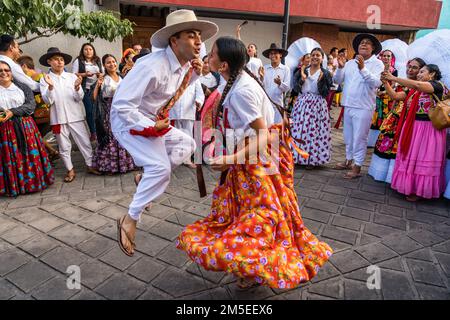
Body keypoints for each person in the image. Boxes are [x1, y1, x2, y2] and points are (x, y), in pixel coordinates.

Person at [177, 36, 332, 290]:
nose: (208, 58)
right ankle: (250, 268)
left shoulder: (241, 91)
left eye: (212, 55)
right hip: (250, 158)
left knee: (259, 215)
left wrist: (229, 159)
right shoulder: (233, 82)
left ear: (224, 64)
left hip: (256, 160)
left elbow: (265, 135)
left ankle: (254, 265)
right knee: (251, 213)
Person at [111, 9, 218, 256]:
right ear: (174, 40)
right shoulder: (152, 66)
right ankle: (130, 218)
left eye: (199, 36)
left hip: (153, 119)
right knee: (160, 169)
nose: (199, 41)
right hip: (128, 121)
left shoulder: (184, 65)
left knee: (187, 145)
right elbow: (122, 105)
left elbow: (174, 91)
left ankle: (144, 180)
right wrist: (149, 127)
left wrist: (194, 75)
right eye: (191, 35)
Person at [386, 64, 449, 201]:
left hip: (429, 130)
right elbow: (395, 95)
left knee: (423, 158)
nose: (418, 74)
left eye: (422, 71)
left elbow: (419, 85)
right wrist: (386, 82)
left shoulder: (437, 86)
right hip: (414, 127)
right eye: (418, 72)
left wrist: (394, 77)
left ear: (431, 74)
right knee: (412, 158)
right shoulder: (415, 91)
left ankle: (419, 190)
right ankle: (410, 187)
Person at [39, 47, 101, 183]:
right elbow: (48, 100)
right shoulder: (46, 79)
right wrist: (50, 87)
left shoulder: (72, 77)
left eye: (61, 60)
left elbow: (78, 98)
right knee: (63, 145)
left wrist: (78, 88)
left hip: (76, 116)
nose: (59, 62)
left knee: (84, 141)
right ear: (49, 62)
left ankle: (90, 165)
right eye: (56, 59)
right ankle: (70, 169)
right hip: (58, 118)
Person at [333, 33, 384, 179]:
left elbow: (376, 83)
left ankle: (357, 166)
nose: (364, 44)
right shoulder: (349, 63)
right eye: (362, 42)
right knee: (348, 136)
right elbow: (337, 81)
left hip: (364, 107)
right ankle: (348, 160)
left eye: (368, 43)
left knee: (360, 138)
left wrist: (363, 69)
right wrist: (340, 68)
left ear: (373, 48)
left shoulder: (377, 64)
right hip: (348, 104)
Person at [0, 61, 54, 197]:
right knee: (8, 158)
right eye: (0, 71)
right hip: (3, 130)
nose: (3, 73)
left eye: (7, 70)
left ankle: (32, 183)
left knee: (28, 155)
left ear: (12, 74)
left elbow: (31, 105)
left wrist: (12, 112)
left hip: (25, 127)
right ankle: (13, 186)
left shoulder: (22, 87)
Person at [368, 58, 425, 183]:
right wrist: (386, 83)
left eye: (415, 68)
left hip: (405, 120)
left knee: (395, 147)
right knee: (385, 143)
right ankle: (380, 173)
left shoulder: (418, 85)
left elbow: (396, 96)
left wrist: (389, 82)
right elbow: (394, 97)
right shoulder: (405, 82)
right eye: (409, 66)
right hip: (395, 117)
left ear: (421, 71)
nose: (410, 69)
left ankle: (390, 176)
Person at [91, 54, 137, 175]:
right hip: (110, 111)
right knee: (112, 137)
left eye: (113, 61)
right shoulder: (103, 79)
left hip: (123, 111)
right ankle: (110, 166)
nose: (112, 64)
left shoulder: (122, 76)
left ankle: (127, 163)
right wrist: (98, 84)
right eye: (108, 62)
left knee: (125, 135)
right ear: (104, 65)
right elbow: (94, 97)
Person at [290, 48, 333, 168]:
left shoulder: (325, 73)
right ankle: (297, 157)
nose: (315, 57)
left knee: (314, 132)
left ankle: (311, 159)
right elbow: (295, 90)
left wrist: (321, 83)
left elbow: (325, 93)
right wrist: (301, 81)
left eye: (318, 55)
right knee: (299, 131)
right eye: (313, 55)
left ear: (322, 58)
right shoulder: (302, 71)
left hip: (318, 105)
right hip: (302, 103)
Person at [17, 55, 60, 162]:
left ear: (24, 66)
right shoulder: (29, 79)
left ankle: (47, 156)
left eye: (18, 68)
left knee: (34, 136)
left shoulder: (39, 77)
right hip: (36, 114)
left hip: (42, 114)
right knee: (35, 136)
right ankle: (49, 154)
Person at [169, 78, 205, 168]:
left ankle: (187, 159)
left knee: (188, 135)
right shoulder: (176, 76)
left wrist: (199, 102)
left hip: (188, 111)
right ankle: (175, 158)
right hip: (174, 110)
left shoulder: (195, 79)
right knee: (175, 134)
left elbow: (200, 93)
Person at [72, 43, 103, 142]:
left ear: (93, 50)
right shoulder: (78, 60)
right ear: (82, 51)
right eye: (86, 49)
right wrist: (85, 74)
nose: (88, 51)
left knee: (99, 111)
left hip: (97, 89)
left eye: (90, 49)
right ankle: (93, 133)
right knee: (89, 112)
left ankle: (101, 131)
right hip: (86, 89)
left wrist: (99, 75)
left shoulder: (97, 60)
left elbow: (102, 72)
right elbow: (73, 75)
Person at [368, 50, 398, 147]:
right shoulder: (377, 68)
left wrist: (384, 92)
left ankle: (381, 141)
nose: (386, 58)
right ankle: (370, 141)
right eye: (384, 56)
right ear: (380, 57)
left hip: (387, 98)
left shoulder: (394, 71)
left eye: (388, 56)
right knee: (374, 117)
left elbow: (393, 85)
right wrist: (376, 91)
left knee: (385, 117)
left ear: (391, 58)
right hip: (375, 96)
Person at [262, 43, 291, 123]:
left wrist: (280, 83)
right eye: (271, 54)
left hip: (277, 105)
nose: (273, 55)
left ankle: (274, 136)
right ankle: (263, 136)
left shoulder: (285, 69)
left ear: (280, 55)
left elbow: (287, 88)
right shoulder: (264, 68)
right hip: (265, 104)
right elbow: (261, 86)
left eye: (275, 53)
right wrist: (260, 78)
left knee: (275, 131)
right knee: (263, 129)